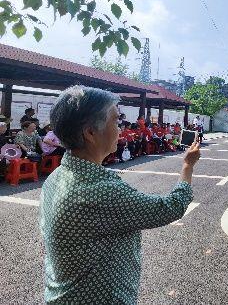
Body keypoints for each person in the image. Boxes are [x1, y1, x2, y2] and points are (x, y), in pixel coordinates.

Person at [40, 86, 201, 304]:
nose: (121, 128)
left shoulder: (57, 177)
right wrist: (187, 166)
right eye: (116, 121)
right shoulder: (99, 190)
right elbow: (170, 207)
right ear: (90, 132)